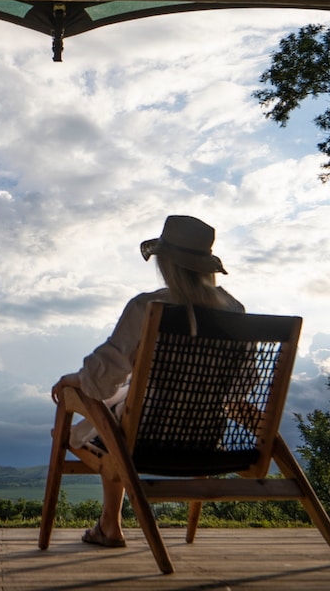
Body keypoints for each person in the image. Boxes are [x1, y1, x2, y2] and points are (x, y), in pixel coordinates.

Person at [51, 214, 243, 549]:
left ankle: (110, 524)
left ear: (166, 263)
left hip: (145, 438)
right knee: (117, 420)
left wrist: (75, 381)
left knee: (105, 424)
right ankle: (109, 523)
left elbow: (101, 383)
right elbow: (244, 384)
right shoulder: (235, 311)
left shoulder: (148, 307)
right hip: (206, 439)